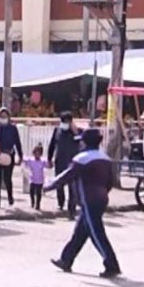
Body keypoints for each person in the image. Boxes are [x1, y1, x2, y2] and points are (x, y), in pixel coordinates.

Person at [46, 128, 120, 277]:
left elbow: (66, 176)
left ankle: (112, 265)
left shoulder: (82, 159)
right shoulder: (105, 158)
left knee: (97, 234)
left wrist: (50, 185)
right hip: (101, 198)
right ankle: (66, 259)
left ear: (85, 143)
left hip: (89, 200)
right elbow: (110, 181)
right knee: (80, 233)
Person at [0, 107, 22, 208]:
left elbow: (17, 142)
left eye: (5, 116)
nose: (3, 118)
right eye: (1, 116)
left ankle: (10, 196)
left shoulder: (13, 128)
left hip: (9, 155)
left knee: (7, 178)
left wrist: (20, 156)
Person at [48, 111, 81, 218]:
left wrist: (76, 132)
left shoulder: (76, 132)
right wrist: (49, 158)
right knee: (59, 184)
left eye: (68, 121)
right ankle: (60, 203)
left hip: (72, 163)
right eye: (64, 121)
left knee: (72, 187)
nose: (66, 123)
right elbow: (52, 145)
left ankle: (71, 209)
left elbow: (82, 143)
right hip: (60, 161)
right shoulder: (57, 131)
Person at [25, 144, 46, 210]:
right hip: (32, 179)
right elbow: (24, 160)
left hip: (40, 180)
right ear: (33, 153)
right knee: (31, 192)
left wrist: (51, 163)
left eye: (39, 153)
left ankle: (38, 204)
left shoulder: (43, 161)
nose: (37, 155)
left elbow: (49, 165)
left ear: (41, 154)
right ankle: (32, 202)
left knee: (38, 193)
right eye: (35, 153)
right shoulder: (31, 160)